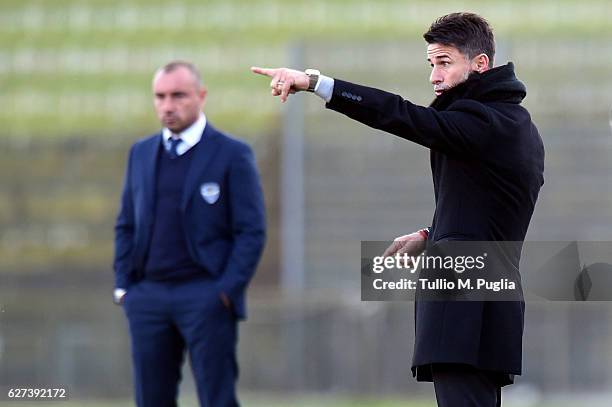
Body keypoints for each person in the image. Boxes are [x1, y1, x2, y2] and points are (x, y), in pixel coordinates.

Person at [251, 12, 544, 407]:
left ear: (480, 64)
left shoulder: (482, 122)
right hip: (493, 301)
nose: (434, 76)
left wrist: (318, 83)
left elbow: (401, 114)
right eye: (431, 65)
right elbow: (490, 206)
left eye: (444, 63)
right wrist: (430, 235)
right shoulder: (516, 124)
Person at [113, 60, 266, 407]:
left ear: (201, 95)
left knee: (217, 399)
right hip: (148, 297)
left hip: (206, 296)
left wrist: (226, 291)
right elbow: (126, 224)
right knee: (151, 400)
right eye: (160, 96)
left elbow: (251, 231)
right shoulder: (141, 153)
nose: (168, 105)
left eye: (178, 95)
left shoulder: (232, 154)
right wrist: (124, 287)